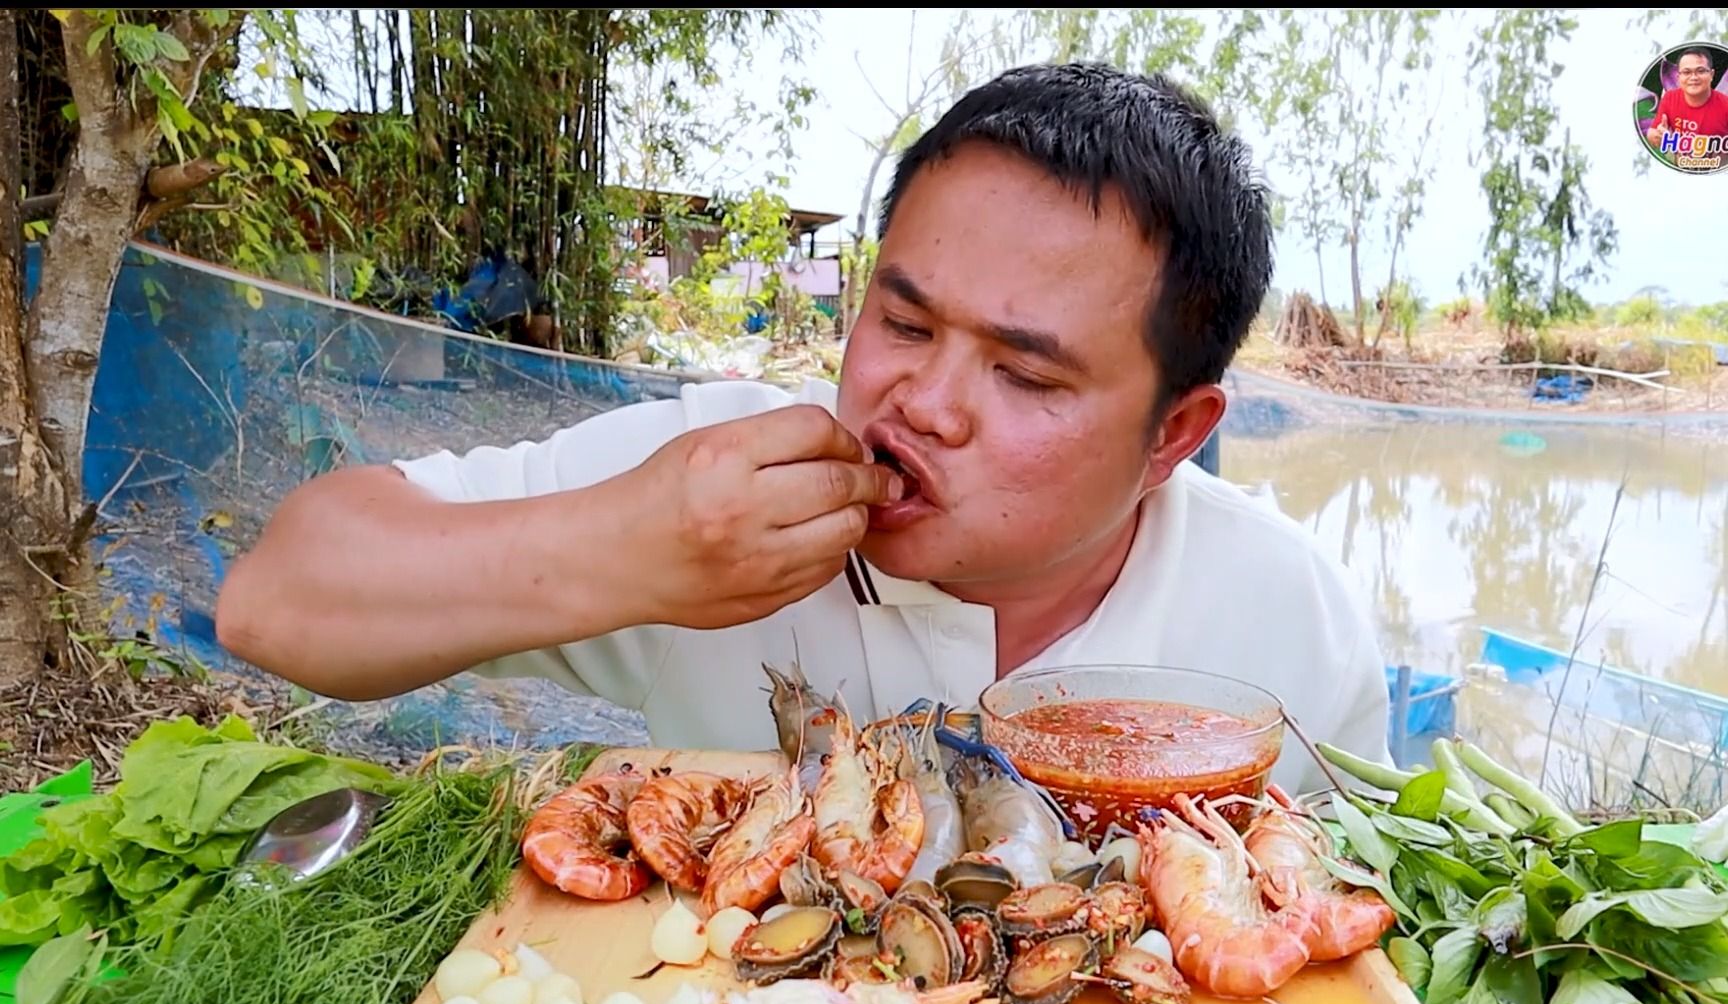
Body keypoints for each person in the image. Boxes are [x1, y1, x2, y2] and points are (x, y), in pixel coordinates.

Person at [215, 62, 1394, 796]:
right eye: (904, 321)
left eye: (1027, 377)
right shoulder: (714, 487)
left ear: (1173, 435)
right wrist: (625, 549)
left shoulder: (1293, 631)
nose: (922, 403)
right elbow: (276, 601)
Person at [1648, 48, 1728, 163]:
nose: (1694, 77)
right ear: (1678, 77)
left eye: (1700, 71)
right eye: (1686, 72)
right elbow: (1652, 133)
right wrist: (1659, 136)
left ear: (1711, 74)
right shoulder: (1670, 98)